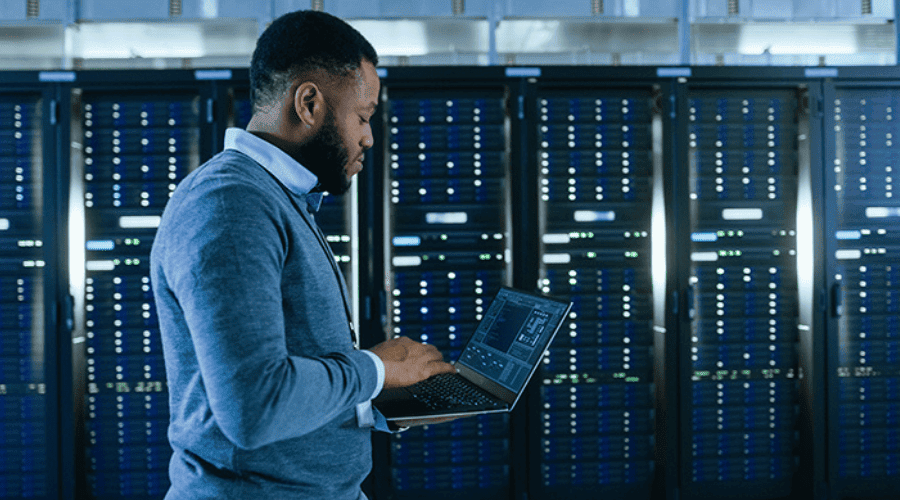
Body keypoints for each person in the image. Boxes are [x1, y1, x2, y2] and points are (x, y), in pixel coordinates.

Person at [149, 10, 456, 499]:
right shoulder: (231, 205)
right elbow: (254, 406)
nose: (368, 138)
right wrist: (375, 369)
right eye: (362, 116)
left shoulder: (277, 198)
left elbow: (291, 379)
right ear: (309, 102)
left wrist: (380, 401)